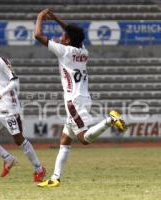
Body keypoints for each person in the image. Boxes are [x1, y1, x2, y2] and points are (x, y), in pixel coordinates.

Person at [34, 9, 127, 187]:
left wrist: (40, 17)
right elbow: (74, 34)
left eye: (63, 35)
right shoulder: (83, 51)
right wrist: (56, 19)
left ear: (67, 39)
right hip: (84, 97)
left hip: (74, 101)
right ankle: (55, 178)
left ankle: (110, 120)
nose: (61, 37)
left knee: (84, 139)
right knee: (65, 139)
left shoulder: (64, 51)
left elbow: (38, 34)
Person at [0, 32, 46, 182]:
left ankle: (39, 168)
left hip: (9, 107)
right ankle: (8, 158)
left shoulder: (1, 61)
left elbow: (15, 81)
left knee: (18, 140)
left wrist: (1, 93)